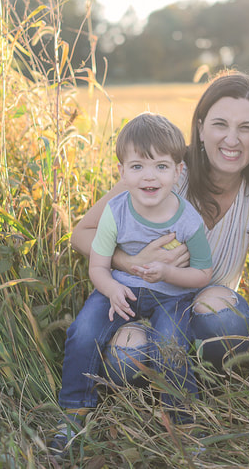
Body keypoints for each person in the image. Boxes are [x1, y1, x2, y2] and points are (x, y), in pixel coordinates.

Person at [68, 71, 249, 392]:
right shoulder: (162, 172)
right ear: (200, 127)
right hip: (143, 306)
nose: (232, 139)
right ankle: (152, 389)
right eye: (220, 124)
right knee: (127, 357)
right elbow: (82, 233)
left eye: (247, 128)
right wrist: (131, 262)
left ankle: (207, 384)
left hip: (202, 315)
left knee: (222, 317)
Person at [50, 113, 213, 455]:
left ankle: (183, 426)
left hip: (173, 296)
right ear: (122, 173)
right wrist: (109, 289)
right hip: (120, 289)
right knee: (82, 331)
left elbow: (202, 275)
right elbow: (98, 264)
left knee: (169, 342)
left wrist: (168, 274)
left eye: (160, 166)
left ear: (177, 172)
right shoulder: (115, 211)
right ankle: (73, 414)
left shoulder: (188, 220)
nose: (149, 176)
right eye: (137, 167)